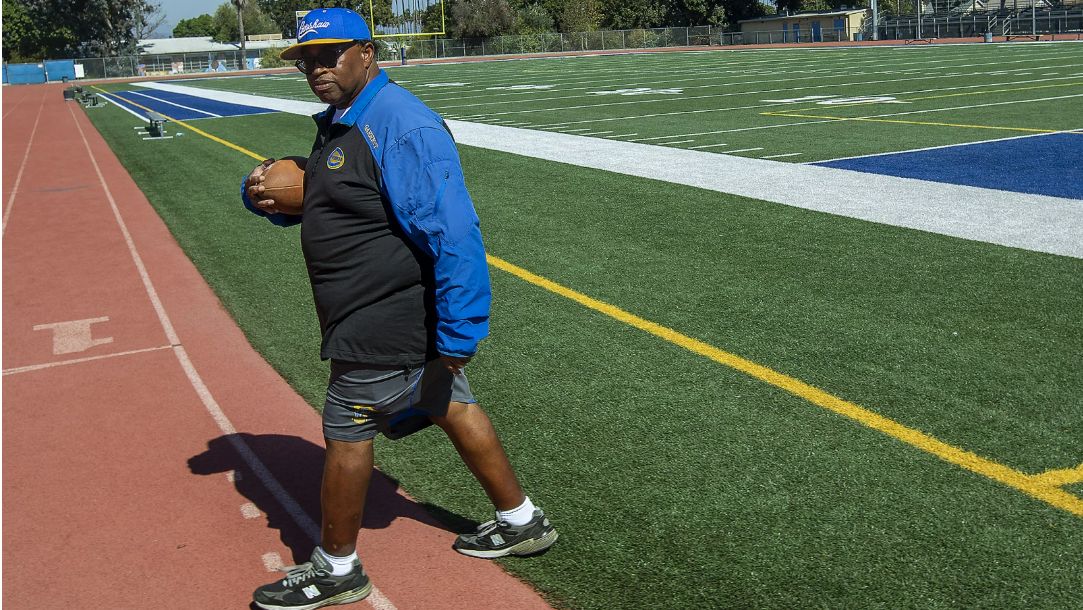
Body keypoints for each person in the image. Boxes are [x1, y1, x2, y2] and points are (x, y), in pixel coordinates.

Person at [240, 8, 557, 610]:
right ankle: (522, 520)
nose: (317, 68)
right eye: (308, 59)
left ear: (368, 52)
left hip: (383, 315)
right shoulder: (346, 118)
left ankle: (337, 568)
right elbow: (341, 201)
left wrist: (460, 332)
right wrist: (269, 201)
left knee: (347, 425)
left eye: (330, 55)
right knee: (449, 403)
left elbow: (454, 233)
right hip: (375, 311)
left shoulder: (400, 123)